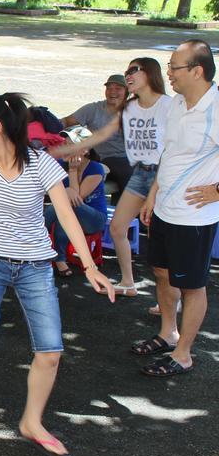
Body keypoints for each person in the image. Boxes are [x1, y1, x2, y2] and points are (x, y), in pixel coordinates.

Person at [0, 82, 114, 456]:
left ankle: (32, 421)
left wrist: (91, 266)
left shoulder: (39, 162)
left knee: (50, 351)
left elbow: (64, 212)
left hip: (34, 267)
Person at [54, 59, 171, 298]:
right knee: (118, 227)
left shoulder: (168, 106)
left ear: (149, 75)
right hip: (140, 173)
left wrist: (155, 191)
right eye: (126, 71)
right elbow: (101, 135)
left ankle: (172, 296)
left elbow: (173, 149)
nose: (127, 76)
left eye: (132, 71)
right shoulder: (129, 108)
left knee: (164, 238)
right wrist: (57, 151)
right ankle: (128, 282)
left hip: (164, 175)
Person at [138, 40, 219, 377]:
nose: (168, 73)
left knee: (191, 284)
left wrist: (217, 191)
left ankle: (183, 353)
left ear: (197, 71)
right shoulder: (177, 105)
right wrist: (153, 193)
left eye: (174, 67)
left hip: (193, 216)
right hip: (165, 208)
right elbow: (169, 154)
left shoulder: (216, 107)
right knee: (161, 273)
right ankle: (168, 333)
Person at [44, 128, 108, 276]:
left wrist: (72, 172)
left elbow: (77, 198)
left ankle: (36, 234)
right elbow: (47, 188)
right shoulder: (59, 163)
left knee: (67, 206)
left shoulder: (96, 169)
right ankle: (59, 259)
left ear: (84, 150)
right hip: (69, 214)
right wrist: (64, 192)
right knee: (64, 209)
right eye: (65, 144)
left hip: (94, 219)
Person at [62, 75, 131, 193]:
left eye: (118, 88)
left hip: (130, 158)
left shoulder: (134, 110)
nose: (112, 92)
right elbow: (67, 121)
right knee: (129, 175)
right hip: (105, 157)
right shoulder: (94, 109)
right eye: (109, 88)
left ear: (127, 92)